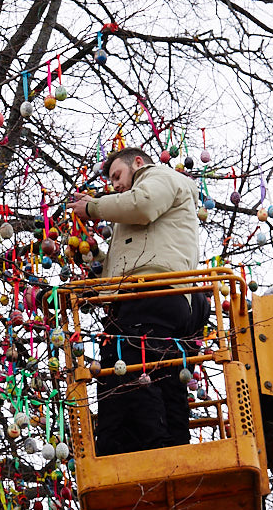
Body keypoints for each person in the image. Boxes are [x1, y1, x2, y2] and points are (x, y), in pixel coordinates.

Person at [67, 147, 207, 456]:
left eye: (117, 175)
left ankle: (152, 452)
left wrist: (92, 208)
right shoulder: (131, 217)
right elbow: (130, 261)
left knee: (129, 370)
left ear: (138, 163)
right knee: (163, 373)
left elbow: (143, 206)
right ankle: (175, 448)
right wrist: (96, 259)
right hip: (156, 295)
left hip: (151, 293)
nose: (115, 185)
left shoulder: (159, 178)